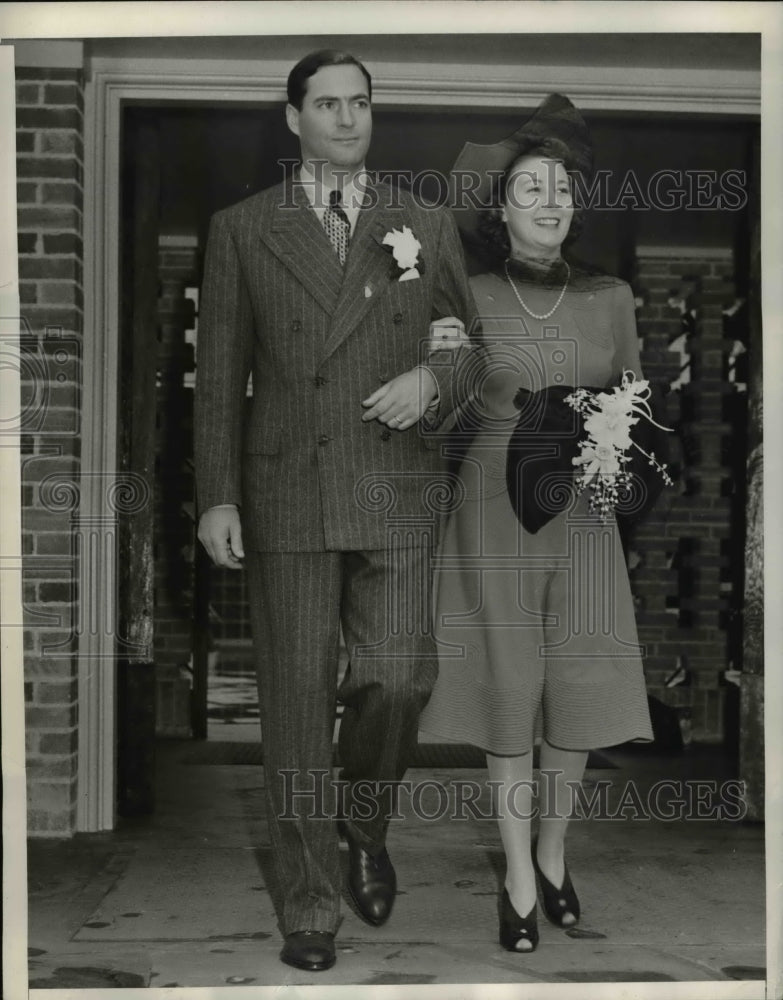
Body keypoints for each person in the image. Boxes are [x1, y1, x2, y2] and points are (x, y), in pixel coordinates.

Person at [194, 50, 476, 973]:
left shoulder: (425, 223)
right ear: (292, 118)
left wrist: (431, 378)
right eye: (327, 104)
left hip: (393, 484)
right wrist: (217, 495)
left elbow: (470, 352)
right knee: (294, 708)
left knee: (398, 679)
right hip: (288, 488)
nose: (347, 119)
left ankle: (364, 819)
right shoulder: (241, 229)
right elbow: (219, 378)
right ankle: (311, 901)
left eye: (360, 103)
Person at [419, 94, 654, 953]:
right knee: (509, 683)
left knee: (579, 685)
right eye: (529, 187)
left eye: (560, 186)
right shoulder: (467, 295)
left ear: (574, 203)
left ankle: (554, 853)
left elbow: (634, 409)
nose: (548, 200)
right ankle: (517, 872)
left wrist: (607, 432)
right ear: (500, 207)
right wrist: (442, 356)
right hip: (491, 510)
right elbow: (439, 418)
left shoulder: (612, 297)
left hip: (583, 513)